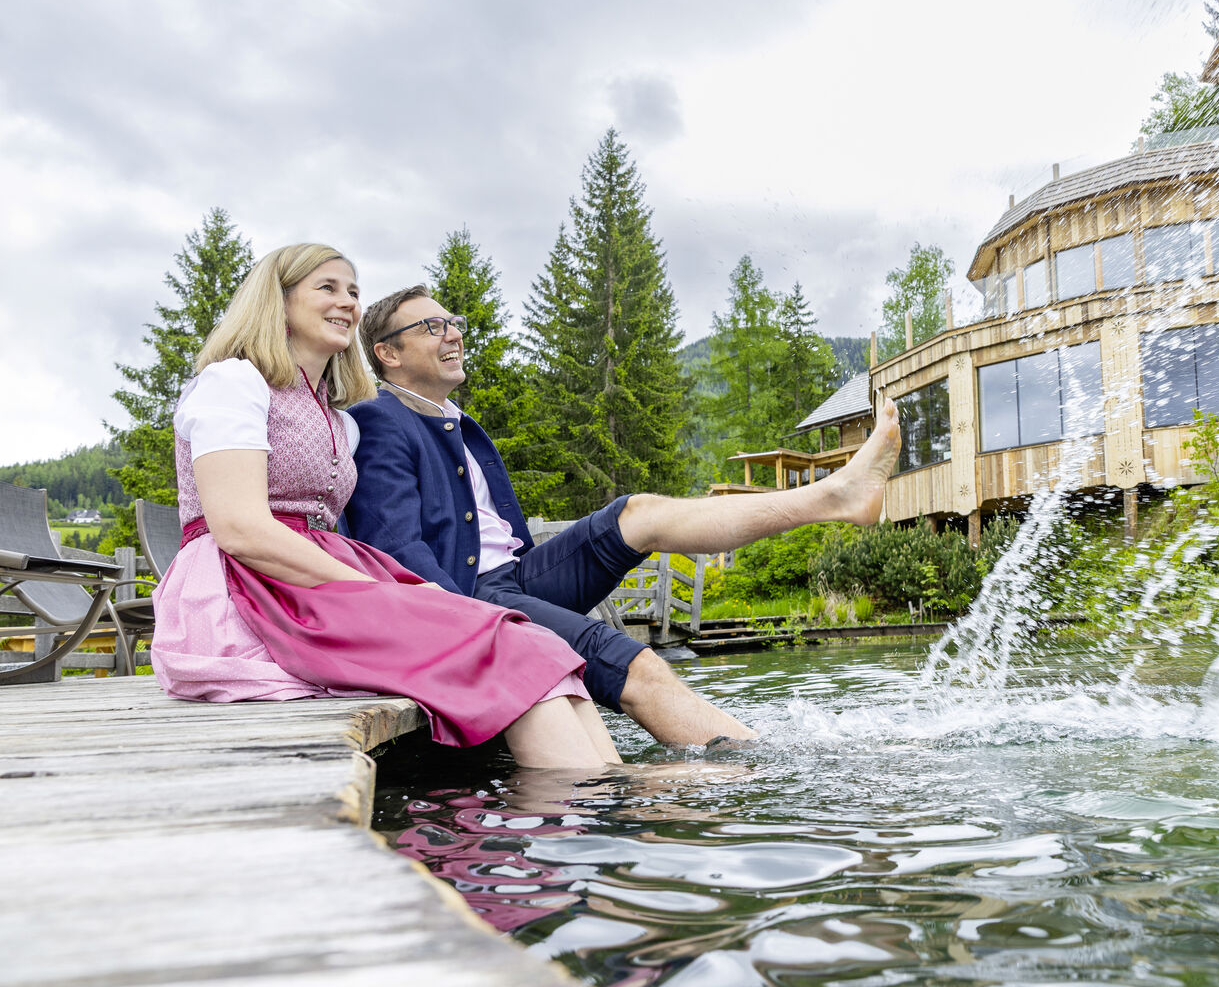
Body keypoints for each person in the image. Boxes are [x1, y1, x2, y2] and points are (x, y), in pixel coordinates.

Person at [344, 284, 903, 746]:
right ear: (389, 353)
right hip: (468, 600)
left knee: (639, 513)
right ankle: (758, 765)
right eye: (432, 327)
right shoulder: (379, 420)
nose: (453, 334)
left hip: (516, 577)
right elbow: (398, 554)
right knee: (640, 666)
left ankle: (835, 497)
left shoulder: (457, 422)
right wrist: (480, 623)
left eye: (454, 322)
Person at [149, 244, 620, 769]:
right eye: (327, 287)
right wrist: (376, 590)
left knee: (530, 639)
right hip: (249, 585)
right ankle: (577, 802)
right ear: (277, 302)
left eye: (353, 291)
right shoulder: (233, 382)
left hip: (314, 576)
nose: (347, 302)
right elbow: (240, 529)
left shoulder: (337, 417)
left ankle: (607, 789)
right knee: (501, 643)